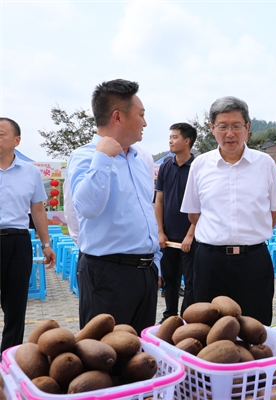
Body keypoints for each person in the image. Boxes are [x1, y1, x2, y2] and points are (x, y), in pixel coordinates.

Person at [66, 79, 162, 335]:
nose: (145, 123)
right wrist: (102, 157)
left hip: (145, 272)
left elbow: (145, 213)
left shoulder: (139, 159)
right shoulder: (86, 156)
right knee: (104, 352)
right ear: (118, 117)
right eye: (141, 115)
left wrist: (155, 263)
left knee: (140, 350)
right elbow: (87, 208)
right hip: (108, 273)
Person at [181, 96, 276, 326]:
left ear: (247, 128)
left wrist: (251, 233)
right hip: (210, 262)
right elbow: (194, 214)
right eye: (223, 126)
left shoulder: (264, 163)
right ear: (212, 128)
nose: (230, 133)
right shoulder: (200, 165)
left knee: (256, 328)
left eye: (236, 126)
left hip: (253, 261)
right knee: (207, 329)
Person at [0, 117, 56, 353]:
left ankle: (8, 358)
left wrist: (46, 244)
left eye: (1, 133)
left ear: (17, 140)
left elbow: (38, 210)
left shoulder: (31, 173)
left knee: (16, 306)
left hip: (18, 241)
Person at [155, 122, 198, 322]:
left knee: (191, 282)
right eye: (170, 137)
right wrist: (160, 231)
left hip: (191, 237)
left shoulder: (197, 167)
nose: (170, 141)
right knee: (169, 281)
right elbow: (159, 201)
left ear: (187, 141)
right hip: (168, 236)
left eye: (175, 137)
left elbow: (203, 205)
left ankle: (187, 319)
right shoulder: (165, 167)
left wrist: (190, 234)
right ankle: (169, 318)